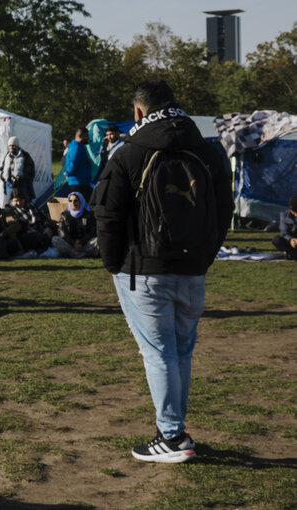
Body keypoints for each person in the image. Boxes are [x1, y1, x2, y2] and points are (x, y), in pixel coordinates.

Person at [93, 80, 233, 463]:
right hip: (192, 270)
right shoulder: (207, 151)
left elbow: (107, 215)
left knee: (159, 354)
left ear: (138, 112)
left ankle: (171, 436)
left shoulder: (128, 153)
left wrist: (112, 265)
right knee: (181, 352)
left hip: (142, 270)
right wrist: (204, 256)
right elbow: (224, 211)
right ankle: (175, 431)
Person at [51, 192, 98, 258]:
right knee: (55, 239)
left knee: (98, 240)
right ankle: (79, 254)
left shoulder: (89, 215)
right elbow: (62, 231)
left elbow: (93, 231)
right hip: (71, 244)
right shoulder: (64, 215)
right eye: (70, 201)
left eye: (75, 201)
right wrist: (73, 243)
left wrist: (81, 242)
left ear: (81, 202)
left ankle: (76, 254)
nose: (73, 203)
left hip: (85, 243)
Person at [3, 188, 50, 254]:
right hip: (23, 235)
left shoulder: (31, 207)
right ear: (11, 200)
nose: (19, 203)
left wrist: (47, 227)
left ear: (24, 199)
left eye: (21, 200)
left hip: (38, 230)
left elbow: (44, 218)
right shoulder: (9, 210)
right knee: (34, 236)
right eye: (16, 201)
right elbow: (16, 226)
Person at [0, 136, 36, 206]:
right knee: (12, 203)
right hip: (9, 185)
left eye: (13, 145)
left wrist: (21, 177)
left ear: (17, 145)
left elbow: (31, 169)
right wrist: (3, 177)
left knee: (24, 202)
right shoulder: (7, 156)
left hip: (22, 184)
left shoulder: (25, 155)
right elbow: (3, 168)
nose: (11, 147)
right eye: (10, 146)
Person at [64, 128, 94, 203]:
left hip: (82, 182)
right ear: (80, 135)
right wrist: (67, 173)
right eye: (86, 136)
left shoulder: (79, 147)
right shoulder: (76, 148)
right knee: (82, 206)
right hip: (78, 183)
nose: (88, 138)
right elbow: (73, 164)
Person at [272, 195, 297, 260]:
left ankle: (292, 255)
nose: (296, 214)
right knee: (276, 239)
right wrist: (291, 240)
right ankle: (293, 253)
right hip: (291, 243)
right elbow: (284, 232)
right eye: (294, 211)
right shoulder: (284, 215)